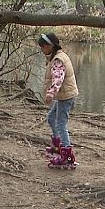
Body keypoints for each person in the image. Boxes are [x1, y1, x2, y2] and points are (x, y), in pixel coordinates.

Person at [38, 33, 79, 169]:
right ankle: (58, 145)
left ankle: (67, 155)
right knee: (51, 118)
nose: (42, 50)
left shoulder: (58, 60)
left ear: (50, 46)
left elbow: (58, 79)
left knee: (61, 124)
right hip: (64, 96)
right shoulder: (57, 56)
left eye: (43, 47)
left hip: (65, 97)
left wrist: (50, 94)